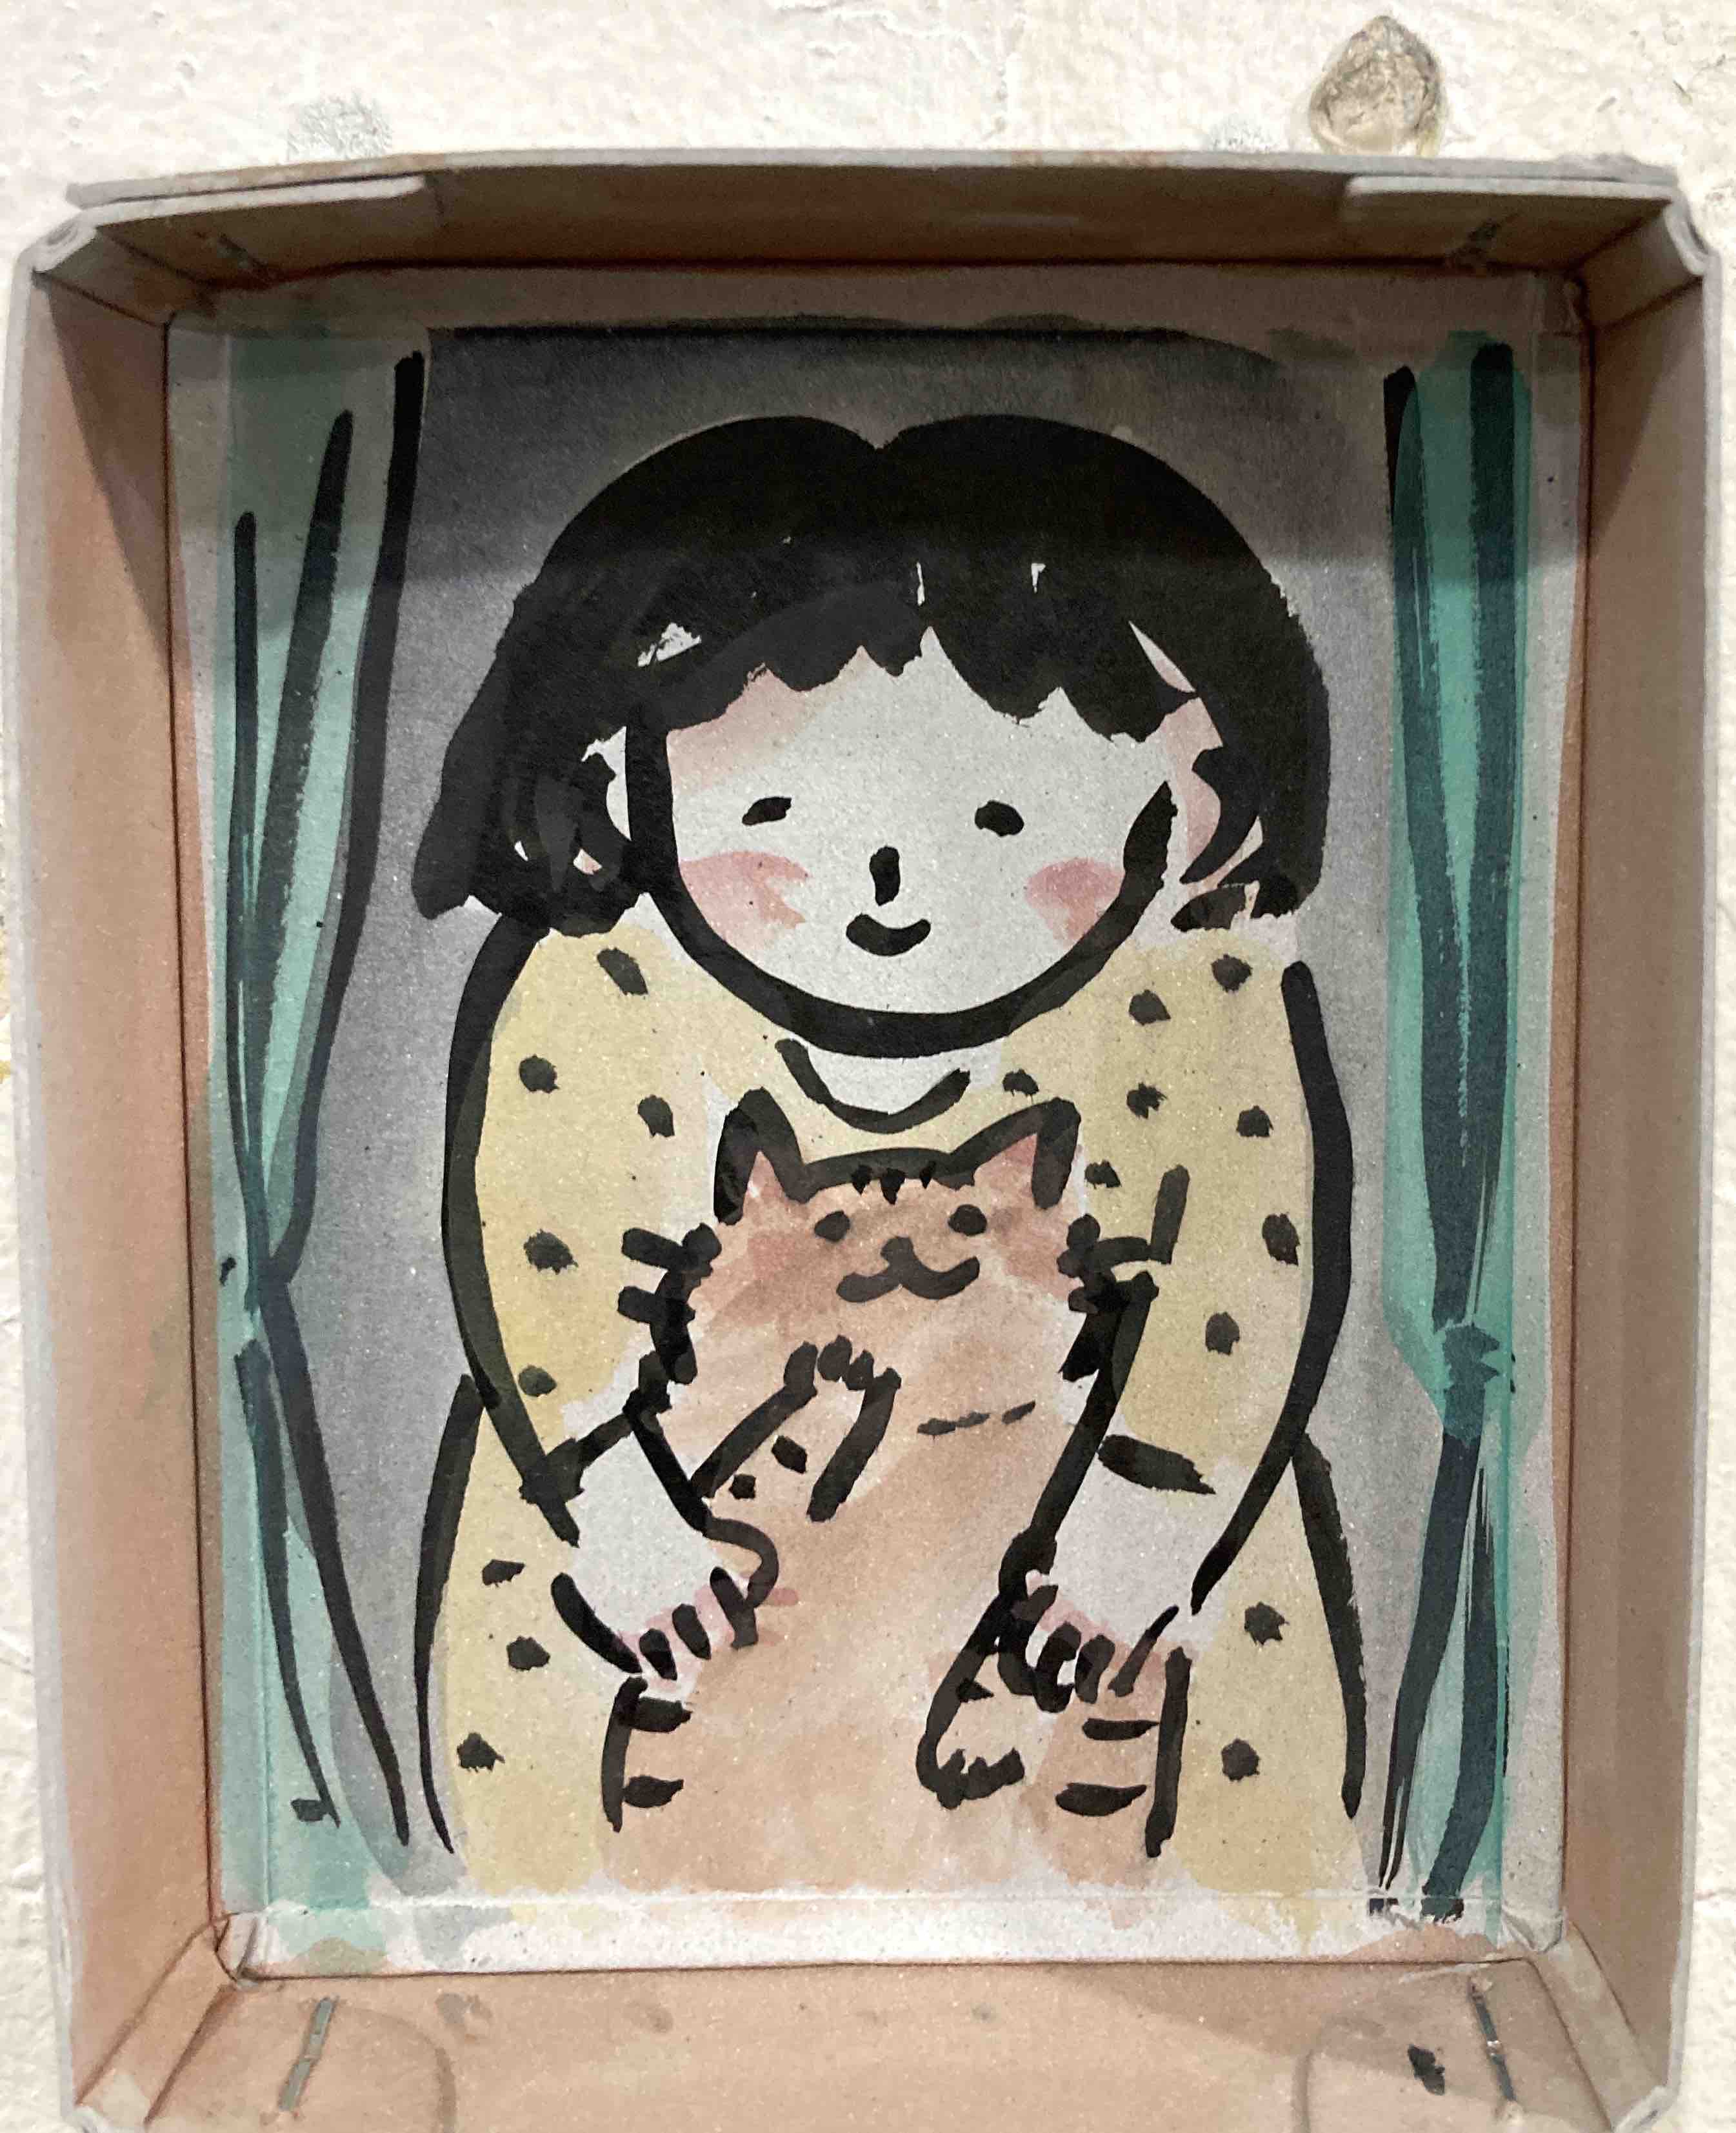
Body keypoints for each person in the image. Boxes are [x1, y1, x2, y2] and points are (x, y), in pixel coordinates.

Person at [411, 414, 1363, 1910]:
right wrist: (611, 1498)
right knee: (601, 1846)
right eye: (774, 813)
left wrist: (1153, 1499)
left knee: (1178, 1818)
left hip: (1094, 1542)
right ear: (614, 771)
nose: (893, 891)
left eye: (1006, 818)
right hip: (672, 1538)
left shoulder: (1191, 987)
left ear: (1183, 792)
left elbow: (1240, 1266)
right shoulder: (606, 974)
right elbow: (546, 1263)